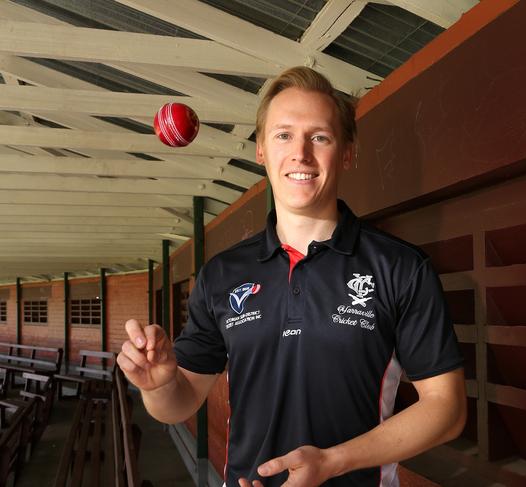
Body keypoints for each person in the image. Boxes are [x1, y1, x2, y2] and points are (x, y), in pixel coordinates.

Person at [117, 66, 466, 487]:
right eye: (283, 135)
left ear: (348, 153)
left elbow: (447, 409)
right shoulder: (222, 275)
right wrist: (157, 387)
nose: (300, 153)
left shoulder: (401, 268)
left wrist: (333, 461)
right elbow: (181, 401)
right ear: (261, 150)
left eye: (319, 136)